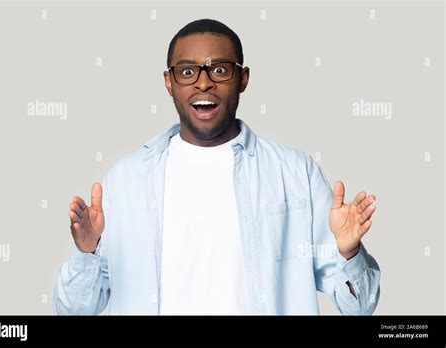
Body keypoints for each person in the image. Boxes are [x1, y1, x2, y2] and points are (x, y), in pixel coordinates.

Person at [53, 19, 380, 315]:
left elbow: (359, 307)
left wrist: (349, 253)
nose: (203, 83)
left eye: (220, 70)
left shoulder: (296, 172)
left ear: (243, 78)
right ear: (169, 83)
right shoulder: (126, 179)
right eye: (187, 72)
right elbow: (73, 311)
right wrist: (88, 253)